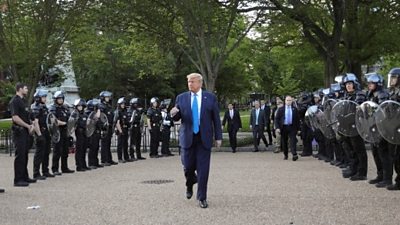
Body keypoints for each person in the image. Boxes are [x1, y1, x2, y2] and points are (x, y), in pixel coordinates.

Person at [170, 73, 222, 209]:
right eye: (188, 81)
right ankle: (190, 182)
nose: (190, 84)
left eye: (192, 81)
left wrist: (218, 137)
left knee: (203, 170)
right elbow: (177, 117)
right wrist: (173, 113)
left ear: (200, 83)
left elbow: (216, 119)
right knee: (187, 166)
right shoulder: (181, 98)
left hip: (204, 138)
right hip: (187, 137)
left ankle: (202, 197)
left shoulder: (210, 98)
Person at [365, 73, 392, 188]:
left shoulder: (382, 94)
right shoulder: (371, 94)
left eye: (372, 83)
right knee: (376, 152)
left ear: (378, 84)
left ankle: (387, 178)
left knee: (383, 153)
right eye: (369, 83)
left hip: (382, 127)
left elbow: (382, 111)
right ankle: (380, 175)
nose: (369, 85)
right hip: (373, 126)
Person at [9, 83, 36, 187]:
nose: (27, 90)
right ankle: (18, 179)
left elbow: (28, 115)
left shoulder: (24, 102)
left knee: (25, 155)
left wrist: (31, 125)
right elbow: (15, 117)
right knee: (20, 155)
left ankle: (25, 176)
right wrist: (27, 126)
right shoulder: (14, 101)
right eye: (25, 88)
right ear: (20, 89)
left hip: (26, 132)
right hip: (19, 131)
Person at [31, 89, 54, 179]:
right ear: (38, 98)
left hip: (47, 132)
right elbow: (35, 122)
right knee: (39, 153)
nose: (45, 99)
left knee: (46, 152)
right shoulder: (36, 108)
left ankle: (45, 170)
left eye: (45, 97)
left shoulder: (45, 107)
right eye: (43, 97)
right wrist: (39, 134)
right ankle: (36, 173)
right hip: (41, 131)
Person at [50, 91, 75, 175]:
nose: (60, 100)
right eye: (59, 99)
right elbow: (53, 119)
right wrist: (63, 123)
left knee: (65, 150)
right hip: (57, 131)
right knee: (57, 151)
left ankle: (64, 167)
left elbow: (69, 118)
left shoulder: (65, 108)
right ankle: (55, 169)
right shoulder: (53, 108)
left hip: (65, 131)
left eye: (61, 98)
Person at [274, 95, 300, 161]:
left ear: (292, 101)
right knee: (284, 142)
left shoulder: (295, 109)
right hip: (284, 127)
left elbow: (297, 120)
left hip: (292, 127)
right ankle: (285, 154)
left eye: (290, 100)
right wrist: (277, 128)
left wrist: (298, 129)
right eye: (287, 100)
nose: (288, 102)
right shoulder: (281, 109)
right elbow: (276, 119)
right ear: (285, 101)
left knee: (293, 141)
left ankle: (294, 154)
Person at [387, 68, 400, 190]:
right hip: (395, 127)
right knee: (396, 156)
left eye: (394, 77)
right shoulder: (393, 93)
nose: (391, 80)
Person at [70, 99, 91, 171]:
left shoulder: (84, 114)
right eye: (78, 106)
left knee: (84, 149)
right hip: (78, 133)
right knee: (79, 149)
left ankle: (84, 164)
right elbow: (72, 124)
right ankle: (79, 166)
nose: (80, 107)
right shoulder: (74, 114)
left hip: (84, 133)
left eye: (81, 106)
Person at [99, 91, 118, 166]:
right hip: (104, 127)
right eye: (107, 97)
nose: (108, 98)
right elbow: (101, 117)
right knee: (104, 143)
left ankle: (109, 159)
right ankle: (104, 160)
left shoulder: (109, 106)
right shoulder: (101, 106)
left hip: (110, 126)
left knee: (108, 143)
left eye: (108, 97)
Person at [86, 99, 104, 169]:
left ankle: (96, 162)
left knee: (96, 147)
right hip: (91, 132)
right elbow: (94, 120)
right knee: (92, 148)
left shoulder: (96, 113)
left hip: (96, 132)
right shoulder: (89, 113)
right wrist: (98, 114)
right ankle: (91, 163)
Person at [115, 97, 133, 163]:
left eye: (124, 104)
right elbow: (117, 122)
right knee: (120, 144)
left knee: (125, 144)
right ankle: (120, 158)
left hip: (125, 128)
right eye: (121, 104)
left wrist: (129, 124)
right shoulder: (118, 112)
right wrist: (120, 131)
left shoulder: (125, 111)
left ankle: (126, 157)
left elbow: (127, 120)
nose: (123, 105)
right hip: (121, 129)